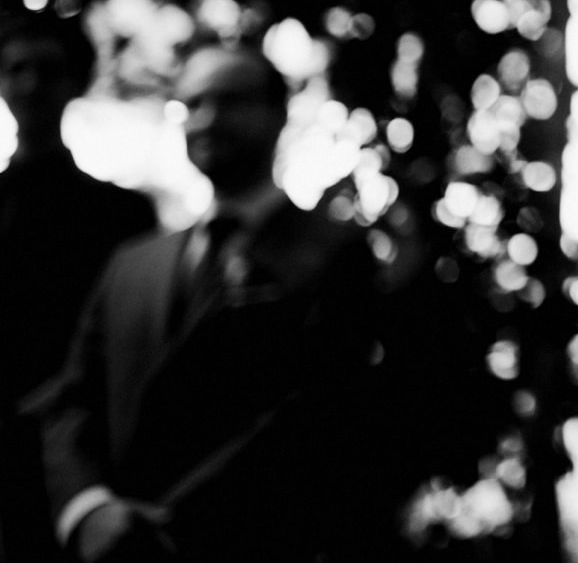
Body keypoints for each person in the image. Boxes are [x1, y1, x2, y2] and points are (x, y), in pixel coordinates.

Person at [38, 43, 389, 563]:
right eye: (192, 104)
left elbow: (320, 409)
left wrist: (167, 530)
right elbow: (74, 399)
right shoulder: (131, 264)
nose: (206, 119)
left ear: (278, 115)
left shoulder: (335, 254)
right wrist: (88, 510)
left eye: (230, 101)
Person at [0, 14, 158, 563]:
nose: (30, 85)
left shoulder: (120, 215)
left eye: (48, 70)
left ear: (77, 82)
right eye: (15, 69)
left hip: (74, 459)